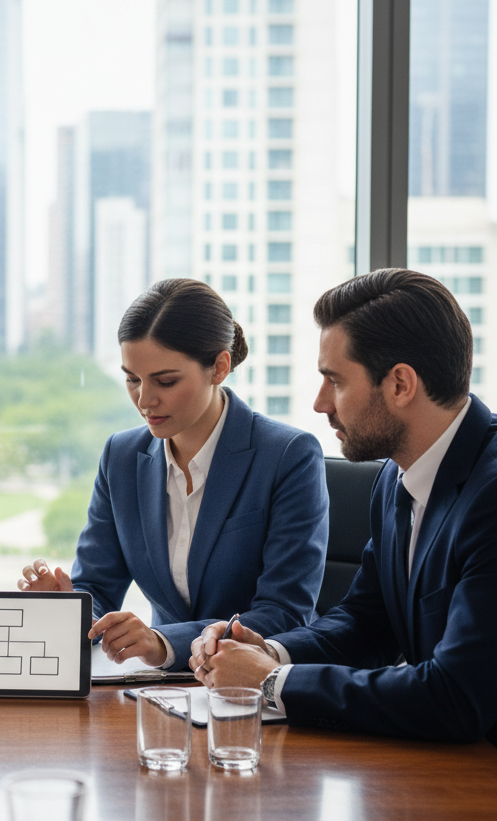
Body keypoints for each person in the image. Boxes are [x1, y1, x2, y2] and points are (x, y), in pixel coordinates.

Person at [191, 269, 497, 762]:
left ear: (401, 384)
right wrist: (270, 652)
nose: (319, 402)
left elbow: (456, 697)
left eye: (335, 380)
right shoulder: (396, 476)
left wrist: (272, 681)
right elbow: (368, 621)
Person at [19, 278, 328, 669]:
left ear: (219, 367)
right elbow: (96, 586)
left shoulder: (287, 456)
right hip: (157, 688)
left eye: (166, 381)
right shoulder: (122, 456)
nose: (144, 400)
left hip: (253, 684)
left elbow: (285, 613)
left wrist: (164, 642)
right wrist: (70, 608)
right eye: (132, 379)